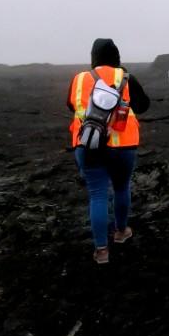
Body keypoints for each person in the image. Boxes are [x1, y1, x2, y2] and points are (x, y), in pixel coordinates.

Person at [66, 38, 150, 264]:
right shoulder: (126, 77)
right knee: (122, 188)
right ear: (116, 56)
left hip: (89, 145)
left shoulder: (79, 79)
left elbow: (72, 106)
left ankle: (102, 250)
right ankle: (121, 232)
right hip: (124, 146)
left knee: (98, 195)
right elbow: (143, 106)